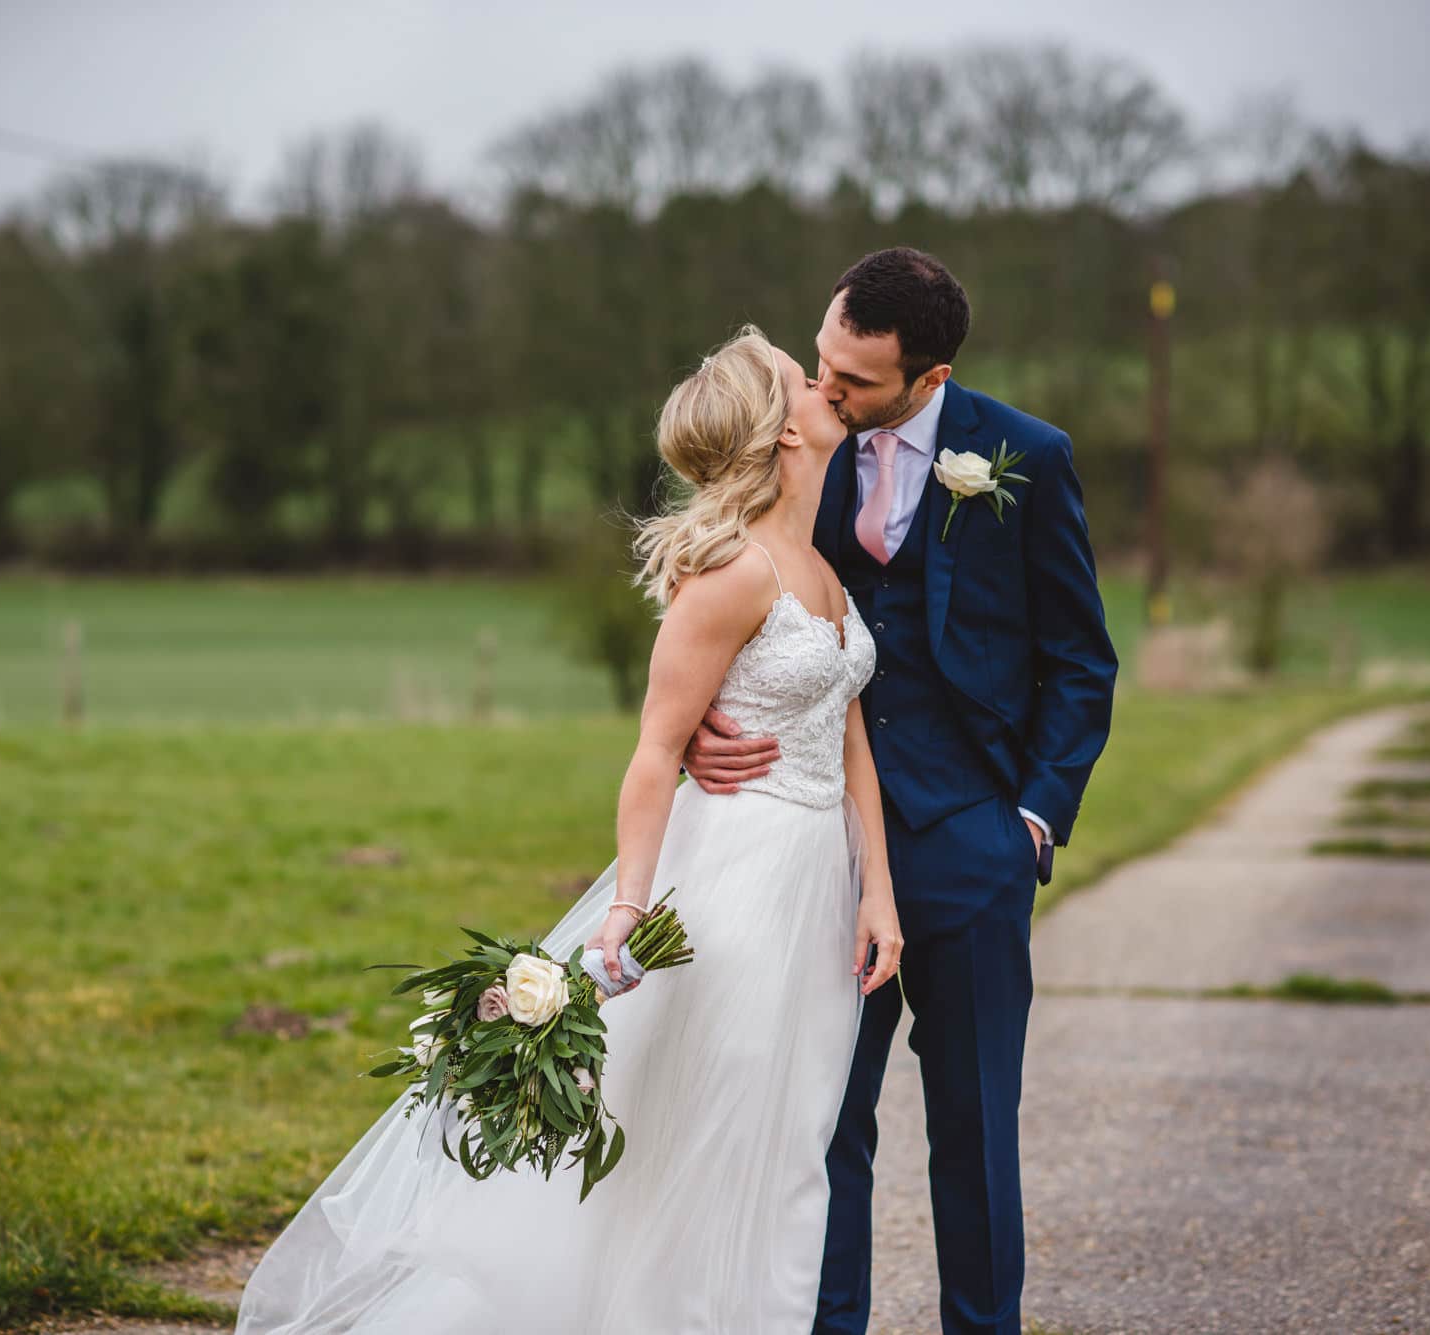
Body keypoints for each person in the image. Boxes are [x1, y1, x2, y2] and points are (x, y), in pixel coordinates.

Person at [234, 326, 905, 1333]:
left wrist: (877, 891)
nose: (821, 387)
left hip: (815, 883)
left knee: (788, 1137)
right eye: (798, 381)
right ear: (780, 435)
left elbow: (847, 731)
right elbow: (652, 750)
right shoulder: (730, 577)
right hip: (734, 884)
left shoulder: (820, 570)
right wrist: (629, 901)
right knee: (709, 1136)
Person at [683, 248, 1118, 1335]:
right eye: (820, 364)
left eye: (854, 381)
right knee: (823, 1122)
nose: (824, 393)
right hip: (817, 843)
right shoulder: (803, 445)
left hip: (972, 841)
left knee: (972, 1126)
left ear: (927, 380)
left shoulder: (1026, 457)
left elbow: (1079, 661)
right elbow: (721, 589)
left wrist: (1029, 820)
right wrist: (698, 724)